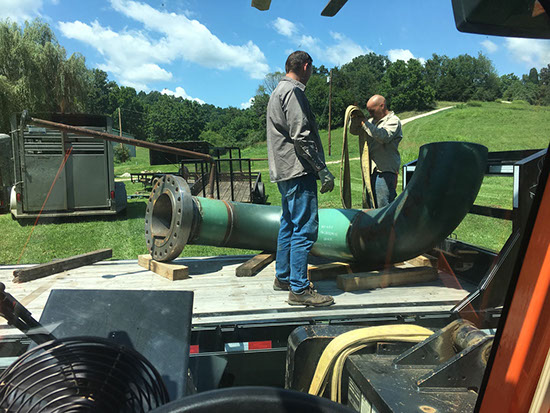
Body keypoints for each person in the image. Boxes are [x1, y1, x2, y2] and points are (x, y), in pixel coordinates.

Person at [266, 51, 335, 307]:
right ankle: (299, 289)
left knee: (289, 225)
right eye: (312, 69)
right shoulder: (293, 92)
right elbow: (301, 136)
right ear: (306, 66)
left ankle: (283, 277)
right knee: (305, 229)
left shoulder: (277, 91)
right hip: (298, 171)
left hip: (283, 171)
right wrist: (321, 169)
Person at [350, 95, 403, 208]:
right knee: (371, 204)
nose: (370, 114)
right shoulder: (371, 122)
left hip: (385, 170)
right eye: (368, 111)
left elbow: (383, 136)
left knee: (383, 205)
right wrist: (355, 118)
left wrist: (365, 123)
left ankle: (387, 221)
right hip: (371, 170)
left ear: (382, 106)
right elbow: (354, 131)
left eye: (372, 111)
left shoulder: (393, 121)